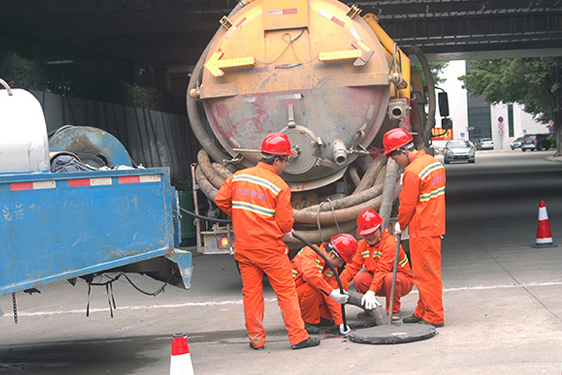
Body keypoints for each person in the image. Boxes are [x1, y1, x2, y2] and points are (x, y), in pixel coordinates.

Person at [215, 132, 320, 350]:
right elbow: (284, 223)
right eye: (286, 160)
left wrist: (241, 217)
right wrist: (287, 230)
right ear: (277, 159)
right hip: (270, 250)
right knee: (286, 292)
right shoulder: (278, 185)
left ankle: (256, 339)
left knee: (251, 294)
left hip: (244, 247)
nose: (286, 165)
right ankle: (298, 337)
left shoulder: (239, 177)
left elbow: (221, 199)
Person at [383, 128, 446, 328]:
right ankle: (422, 311)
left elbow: (407, 205)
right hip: (434, 225)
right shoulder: (433, 164)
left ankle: (434, 316)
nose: (394, 161)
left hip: (423, 229)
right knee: (426, 272)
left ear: (403, 151)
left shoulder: (412, 172)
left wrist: (401, 224)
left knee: (426, 275)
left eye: (394, 156)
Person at [339, 209, 414, 320]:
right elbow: (352, 267)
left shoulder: (390, 243)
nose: (369, 237)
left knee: (390, 278)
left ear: (379, 228)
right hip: (381, 281)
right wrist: (338, 286)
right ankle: (371, 308)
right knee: (359, 279)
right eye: (366, 234)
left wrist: (371, 292)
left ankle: (393, 310)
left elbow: (383, 270)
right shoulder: (362, 245)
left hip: (399, 282)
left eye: (372, 232)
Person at [290, 233, 358, 335]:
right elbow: (310, 276)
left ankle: (322, 319)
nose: (341, 265)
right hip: (292, 298)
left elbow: (333, 292)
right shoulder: (309, 252)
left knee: (340, 285)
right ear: (332, 254)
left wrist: (340, 322)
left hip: (305, 297)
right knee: (314, 286)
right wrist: (331, 292)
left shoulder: (330, 267)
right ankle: (306, 322)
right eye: (341, 261)